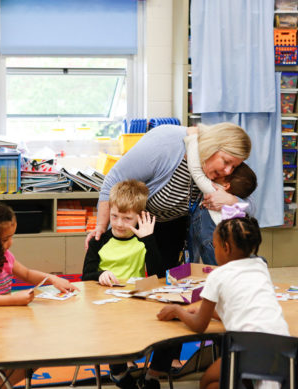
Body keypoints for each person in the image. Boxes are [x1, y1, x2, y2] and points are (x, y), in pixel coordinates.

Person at [85, 122, 252, 386]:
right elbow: (112, 181)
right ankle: (120, 358)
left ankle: (159, 368)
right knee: (125, 290)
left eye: (234, 166)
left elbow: (245, 193)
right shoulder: (166, 143)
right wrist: (102, 231)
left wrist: (232, 200)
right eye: (227, 162)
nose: (228, 171)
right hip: (136, 225)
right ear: (214, 146)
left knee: (166, 292)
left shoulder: (218, 166)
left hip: (174, 229)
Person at [157, 212, 289, 389]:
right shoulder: (260, 266)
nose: (214, 250)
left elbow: (199, 326)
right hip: (285, 348)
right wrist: (211, 313)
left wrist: (177, 311)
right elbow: (243, 308)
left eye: (215, 245)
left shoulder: (217, 275)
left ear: (226, 247)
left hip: (248, 349)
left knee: (207, 382)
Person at [0, 200, 78, 389]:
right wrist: (12, 299)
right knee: (37, 351)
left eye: (11, 237)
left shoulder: (4, 256)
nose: (10, 243)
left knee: (41, 349)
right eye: (4, 239)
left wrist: (53, 279)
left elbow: (28, 274)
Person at [81, 179, 161, 389]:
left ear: (140, 217)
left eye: (127, 219)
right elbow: (85, 276)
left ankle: (152, 375)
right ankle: (119, 371)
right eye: (115, 216)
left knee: (171, 325)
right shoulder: (100, 240)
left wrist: (149, 240)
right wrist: (100, 274)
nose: (118, 223)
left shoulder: (144, 240)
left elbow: (158, 275)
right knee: (112, 326)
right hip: (105, 305)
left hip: (136, 303)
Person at [184, 131, 257, 264]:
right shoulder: (237, 202)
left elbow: (196, 172)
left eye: (220, 175)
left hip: (212, 239)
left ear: (227, 185)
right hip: (231, 243)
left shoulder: (215, 190)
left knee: (215, 271)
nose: (223, 171)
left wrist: (192, 140)